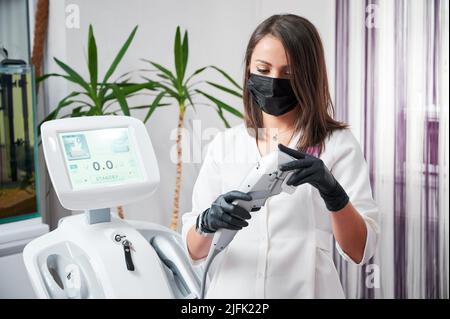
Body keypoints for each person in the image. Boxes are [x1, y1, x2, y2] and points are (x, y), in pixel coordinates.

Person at [182, 14, 379, 298]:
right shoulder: (225, 144)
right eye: (263, 68)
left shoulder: (338, 145)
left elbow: (360, 250)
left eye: (288, 73)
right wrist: (207, 222)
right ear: (249, 70)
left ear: (308, 76)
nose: (274, 81)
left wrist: (333, 193)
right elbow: (193, 252)